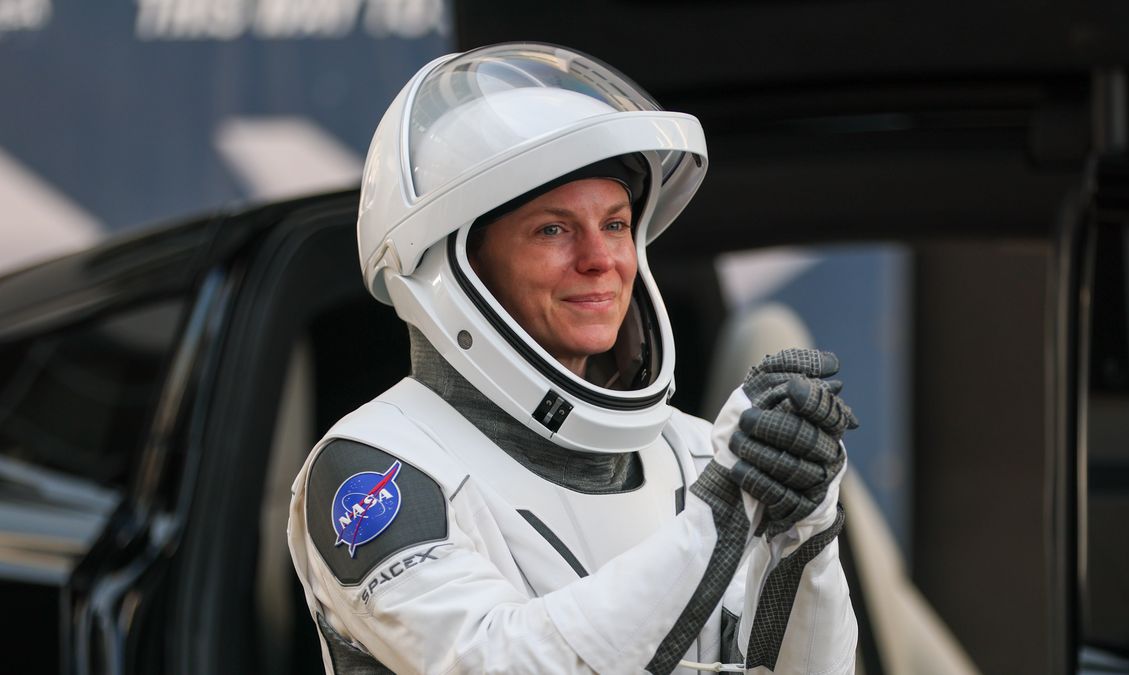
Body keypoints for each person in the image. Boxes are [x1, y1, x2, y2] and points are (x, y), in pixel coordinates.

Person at [287, 42, 859, 674]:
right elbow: (497, 661)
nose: (600, 259)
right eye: (553, 230)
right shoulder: (377, 466)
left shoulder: (695, 453)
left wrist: (806, 530)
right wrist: (718, 516)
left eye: (615, 224)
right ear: (454, 267)